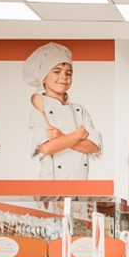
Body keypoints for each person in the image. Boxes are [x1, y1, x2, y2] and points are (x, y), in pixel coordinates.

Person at [24, 42, 102, 180]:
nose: (64, 77)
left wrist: (61, 138)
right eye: (56, 71)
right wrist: (77, 135)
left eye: (68, 73)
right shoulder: (39, 110)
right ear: (44, 77)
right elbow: (46, 148)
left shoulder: (79, 110)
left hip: (81, 184)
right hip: (53, 184)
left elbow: (94, 147)